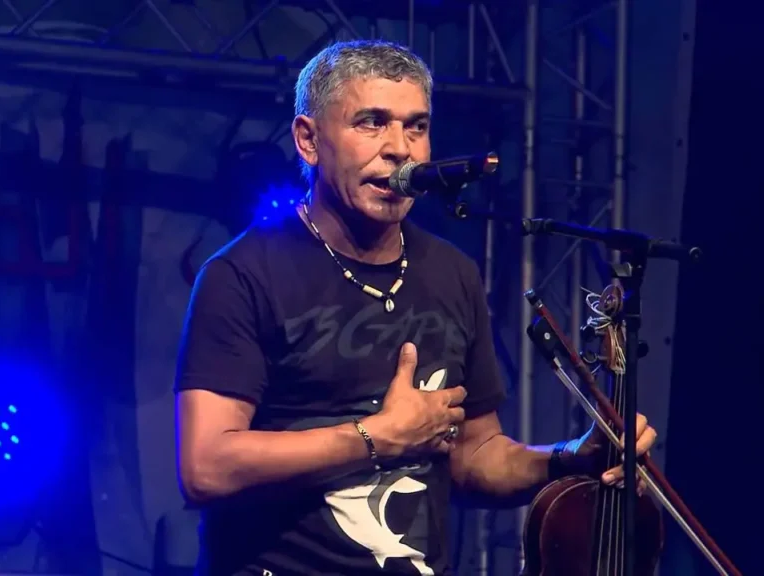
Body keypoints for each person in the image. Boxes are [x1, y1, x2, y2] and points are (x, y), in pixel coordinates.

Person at [174, 39, 658, 576]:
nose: (399, 149)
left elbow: (476, 456)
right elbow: (205, 467)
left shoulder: (451, 272)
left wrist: (570, 457)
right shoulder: (242, 274)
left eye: (416, 126)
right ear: (308, 140)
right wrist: (376, 438)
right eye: (371, 123)